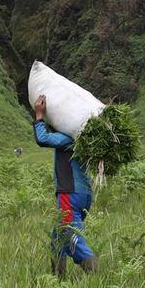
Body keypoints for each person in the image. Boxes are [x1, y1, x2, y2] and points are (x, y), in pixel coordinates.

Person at [33, 94, 98, 276]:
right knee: (57, 238)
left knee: (70, 235)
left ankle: (95, 275)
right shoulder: (84, 138)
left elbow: (43, 139)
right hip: (84, 194)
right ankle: (57, 279)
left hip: (70, 193)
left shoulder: (68, 137)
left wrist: (39, 115)